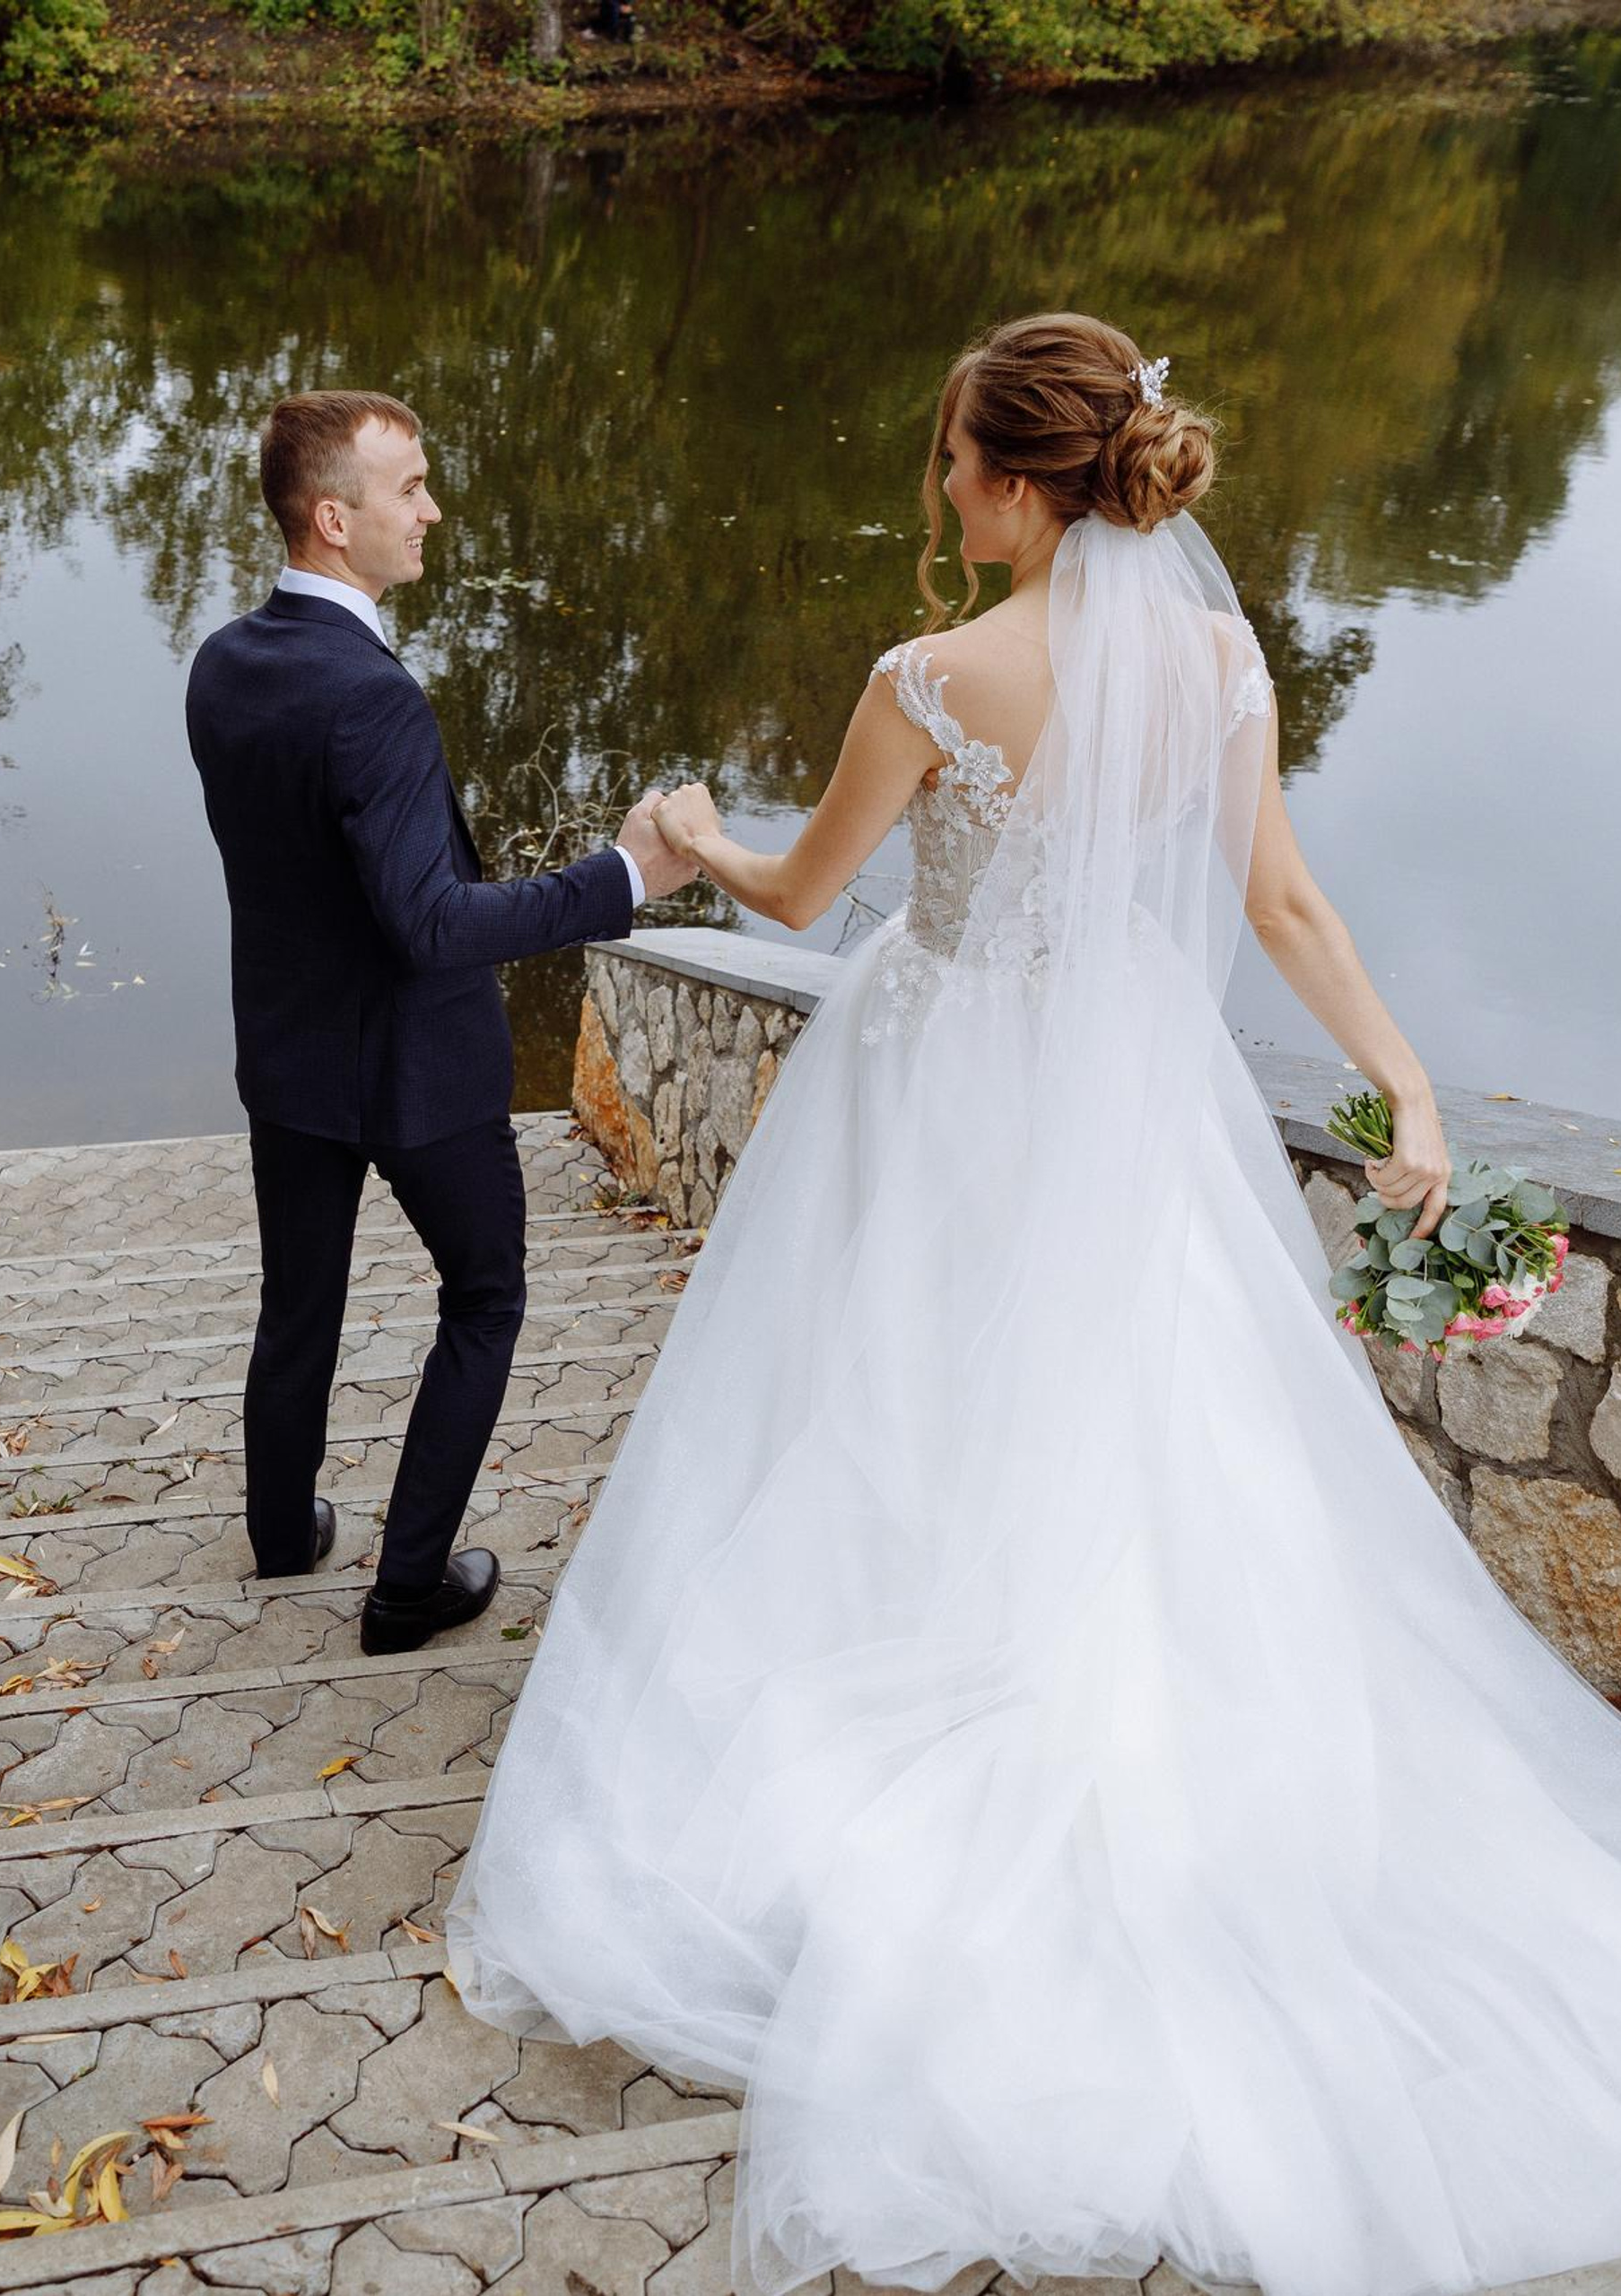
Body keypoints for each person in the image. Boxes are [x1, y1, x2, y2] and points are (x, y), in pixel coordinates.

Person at [443, 314, 1621, 2296]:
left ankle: (929, 1751)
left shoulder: (932, 673)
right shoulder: (1219, 658)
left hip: (940, 1088)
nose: (938, 493)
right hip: (1137, 1096)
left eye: (945, 462)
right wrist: (1407, 1086)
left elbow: (801, 898)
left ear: (1003, 474)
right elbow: (1284, 907)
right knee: (1152, 1425)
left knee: (893, 1405)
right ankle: (1173, 1758)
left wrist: (676, 833)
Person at [185, 388, 698, 1656]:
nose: (432, 508)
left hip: (293, 1057)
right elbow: (427, 926)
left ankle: (279, 1530)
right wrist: (622, 876)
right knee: (484, 1296)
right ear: (332, 518)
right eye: (406, 489)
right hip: (419, 1073)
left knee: (297, 1298)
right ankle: (408, 1586)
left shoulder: (224, 665)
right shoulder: (374, 699)